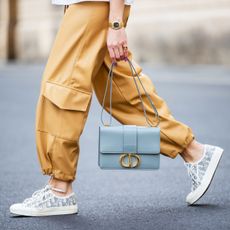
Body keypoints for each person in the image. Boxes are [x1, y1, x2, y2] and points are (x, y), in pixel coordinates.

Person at [10, 0, 224, 216]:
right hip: (96, 8)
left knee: (64, 87)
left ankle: (59, 188)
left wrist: (115, 23)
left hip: (92, 6)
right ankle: (195, 153)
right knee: (120, 91)